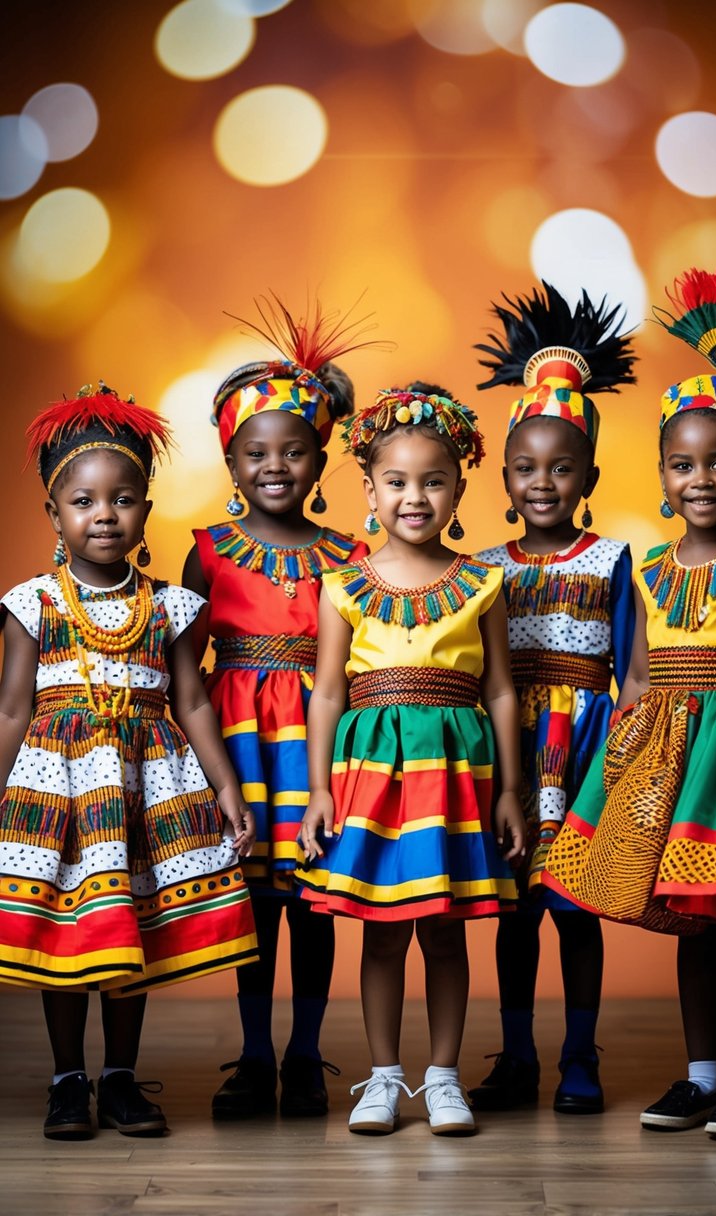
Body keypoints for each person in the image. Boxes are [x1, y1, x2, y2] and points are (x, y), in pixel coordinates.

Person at [543, 265, 716, 1140]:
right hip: (662, 759)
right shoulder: (650, 568)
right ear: (661, 474)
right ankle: (701, 1073)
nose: (700, 479)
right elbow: (633, 676)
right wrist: (615, 769)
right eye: (681, 464)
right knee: (691, 929)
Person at [0, 383, 257, 1141]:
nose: (103, 514)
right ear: (56, 516)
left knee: (125, 934)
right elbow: (14, 708)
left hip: (143, 790)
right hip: (58, 795)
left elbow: (195, 703)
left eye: (123, 499)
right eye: (83, 500)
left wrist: (227, 789)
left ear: (146, 509)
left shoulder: (172, 606)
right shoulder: (32, 605)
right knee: (66, 934)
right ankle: (65, 1078)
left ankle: (118, 1077)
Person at [297, 383, 524, 1136]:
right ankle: (384, 1078)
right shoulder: (342, 585)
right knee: (381, 928)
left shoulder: (482, 583)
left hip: (455, 779)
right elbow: (327, 694)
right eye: (396, 482)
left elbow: (498, 692)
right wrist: (318, 792)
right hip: (369, 780)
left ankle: (443, 1078)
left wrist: (509, 792)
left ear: (459, 488)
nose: (414, 497)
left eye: (433, 481)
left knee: (446, 927)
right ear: (368, 489)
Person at [182, 297, 372, 1120]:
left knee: (312, 900)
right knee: (252, 903)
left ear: (319, 458)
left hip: (317, 741)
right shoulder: (207, 553)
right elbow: (181, 669)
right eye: (256, 452)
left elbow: (364, 658)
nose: (274, 466)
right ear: (230, 460)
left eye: (293, 452)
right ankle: (255, 1053)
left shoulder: (349, 555)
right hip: (237, 742)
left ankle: (305, 1053)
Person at [469, 282, 637, 1115]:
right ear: (503, 475)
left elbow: (635, 672)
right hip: (507, 750)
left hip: (585, 751)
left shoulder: (612, 560)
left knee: (575, 911)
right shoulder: (483, 568)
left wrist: (634, 765)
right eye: (527, 468)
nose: (543, 482)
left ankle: (579, 1054)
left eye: (561, 467)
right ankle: (517, 1056)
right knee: (514, 911)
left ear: (588, 475)